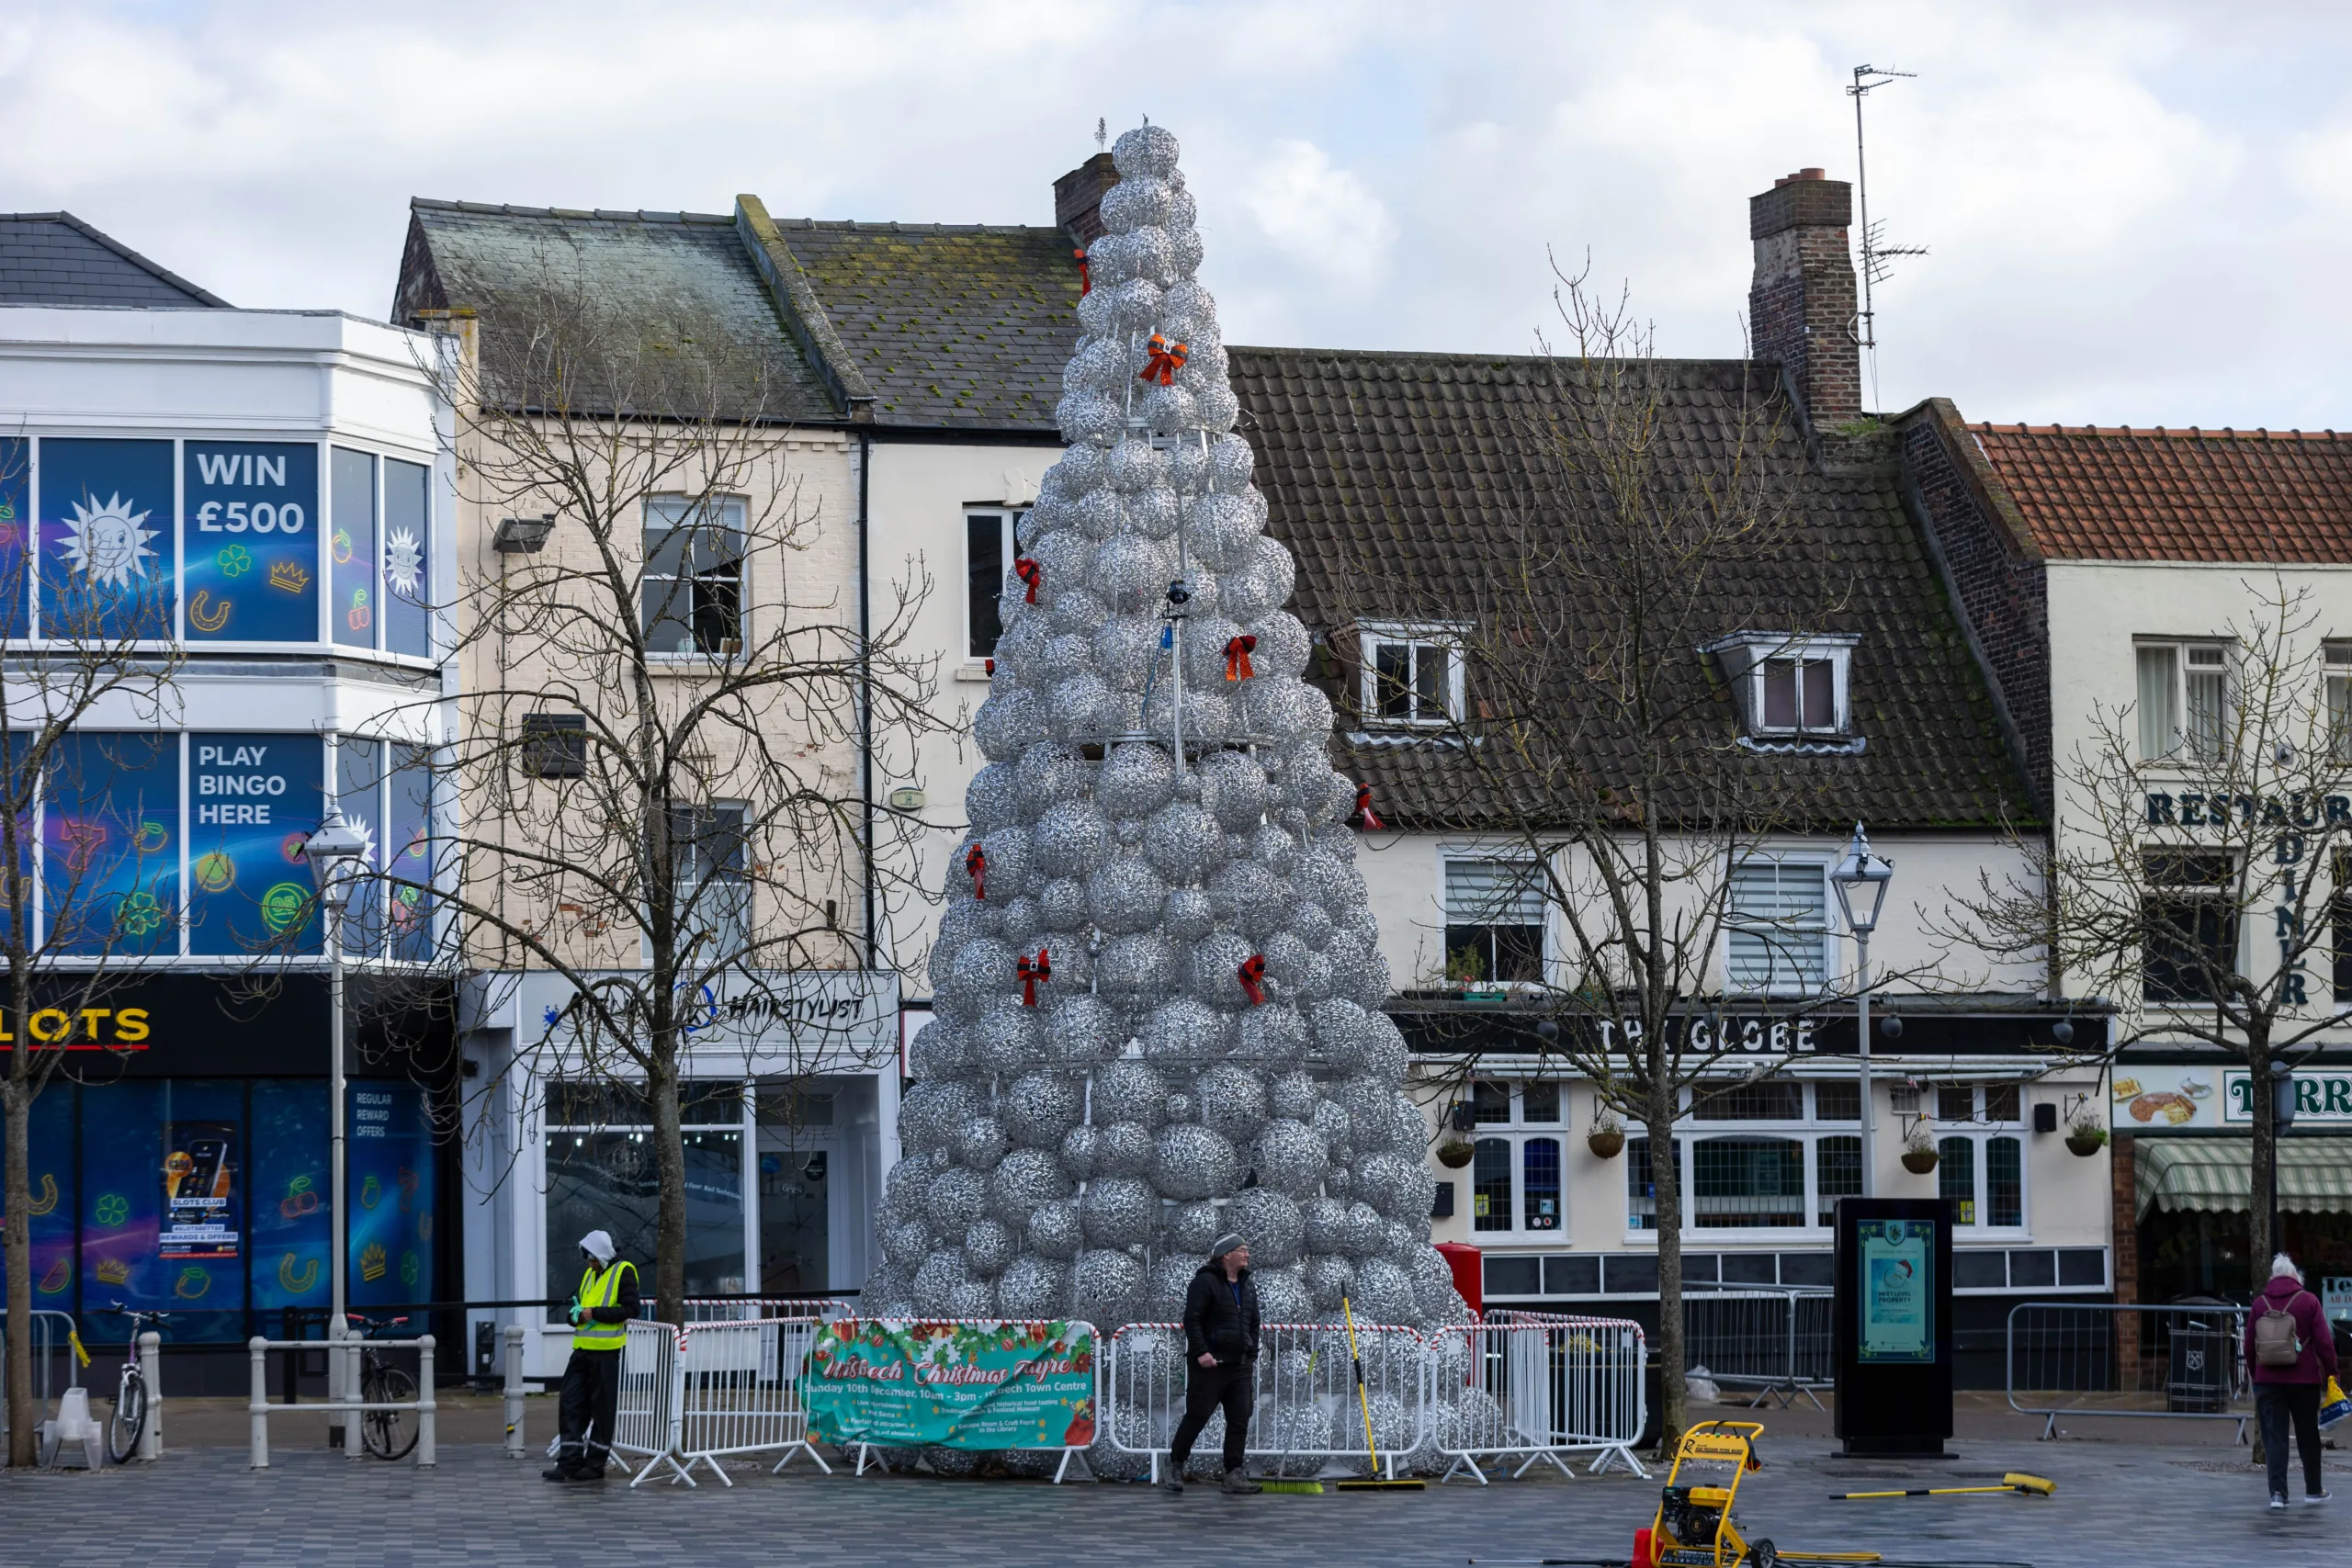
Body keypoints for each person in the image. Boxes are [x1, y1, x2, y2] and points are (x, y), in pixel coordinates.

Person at [1167, 1232, 1261, 1495]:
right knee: (1197, 1416)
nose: (1247, 1254)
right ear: (1226, 1254)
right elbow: (1192, 1319)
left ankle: (1233, 1473)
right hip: (1210, 1365)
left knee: (1239, 1419)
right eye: (1242, 1250)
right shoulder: (1205, 1281)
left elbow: (1254, 1321)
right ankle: (1175, 1465)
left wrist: (1251, 1352)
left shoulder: (1247, 1284)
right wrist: (1201, 1352)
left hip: (1239, 1366)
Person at [544, 1228, 639, 1483]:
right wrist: (575, 1316)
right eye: (588, 1258)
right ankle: (569, 1462)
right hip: (582, 1351)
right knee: (570, 1405)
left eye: (592, 1258)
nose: (590, 1262)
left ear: (602, 1255)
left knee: (602, 1411)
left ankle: (595, 1465)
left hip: (607, 1354)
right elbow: (581, 1307)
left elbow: (631, 1309)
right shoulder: (590, 1274)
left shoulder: (624, 1271)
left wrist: (594, 1313)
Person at [2244, 1252, 2337, 1508]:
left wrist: (2256, 1375)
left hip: (2267, 1380)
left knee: (2274, 1437)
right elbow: (2324, 1343)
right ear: (2296, 1277)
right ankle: (2314, 1490)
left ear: (2273, 1277)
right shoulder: (2308, 1301)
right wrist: (2332, 1373)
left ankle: (2278, 1494)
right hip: (2304, 1380)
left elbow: (2249, 1346)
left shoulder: (2259, 1304)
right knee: (2308, 1435)